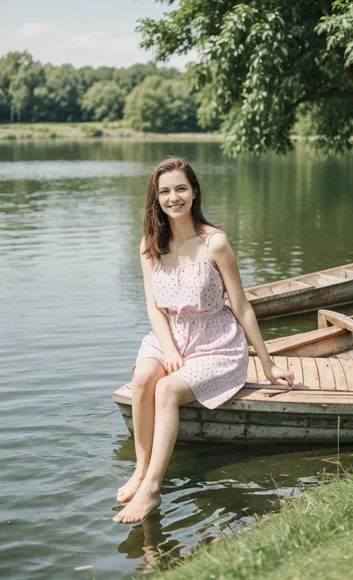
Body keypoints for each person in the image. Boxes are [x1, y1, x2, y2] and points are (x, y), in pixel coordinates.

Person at [113, 157, 294, 524]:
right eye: (164, 191)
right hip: (169, 335)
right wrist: (169, 350)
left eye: (180, 188)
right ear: (156, 197)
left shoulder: (216, 243)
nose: (173, 197)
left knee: (166, 391)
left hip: (216, 341)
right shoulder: (151, 243)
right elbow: (153, 308)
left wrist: (268, 362)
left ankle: (151, 489)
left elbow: (242, 308)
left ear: (194, 192)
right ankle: (141, 469)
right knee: (144, 379)